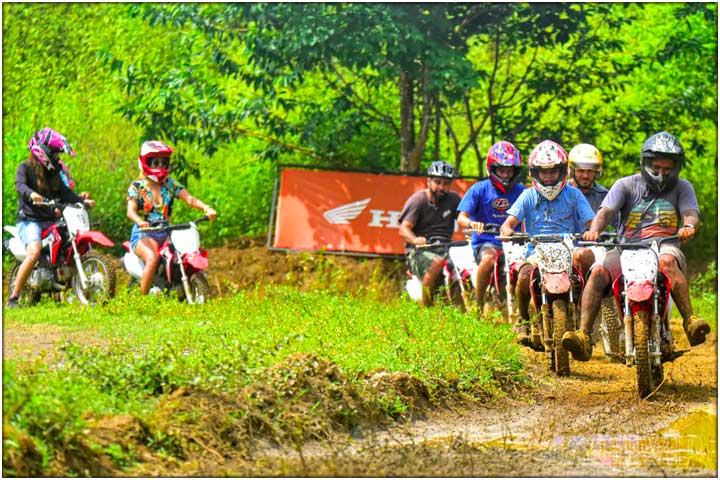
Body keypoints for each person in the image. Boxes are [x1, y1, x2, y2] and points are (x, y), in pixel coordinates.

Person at [562, 131, 710, 361]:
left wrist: (689, 225)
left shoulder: (682, 187)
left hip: (664, 245)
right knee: (599, 271)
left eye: (667, 168)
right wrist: (595, 230)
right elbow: (606, 211)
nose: (661, 173)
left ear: (676, 167)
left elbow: (690, 212)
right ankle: (584, 334)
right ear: (646, 163)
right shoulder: (626, 185)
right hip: (626, 248)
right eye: (657, 167)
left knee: (667, 262)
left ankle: (690, 320)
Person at [499, 140, 595, 347]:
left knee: (587, 257)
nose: (549, 176)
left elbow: (591, 222)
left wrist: (592, 231)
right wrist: (508, 231)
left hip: (568, 247)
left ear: (562, 171)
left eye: (553, 172)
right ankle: (523, 319)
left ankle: (586, 308)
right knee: (524, 274)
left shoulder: (574, 194)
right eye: (543, 172)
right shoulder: (528, 195)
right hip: (537, 249)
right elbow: (508, 224)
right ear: (535, 173)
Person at [7, 127, 96, 308]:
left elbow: (66, 193)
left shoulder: (53, 173)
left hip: (50, 219)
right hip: (29, 221)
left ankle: (68, 283)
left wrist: (82, 201)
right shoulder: (24, 168)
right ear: (43, 152)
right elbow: (20, 186)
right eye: (55, 153)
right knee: (34, 252)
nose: (58, 158)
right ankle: (13, 298)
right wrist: (31, 195)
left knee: (68, 240)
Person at [126, 140, 217, 295]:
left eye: (164, 162)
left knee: (185, 254)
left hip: (166, 231)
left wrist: (206, 208)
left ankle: (177, 287)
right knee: (152, 258)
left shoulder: (170, 184)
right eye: (155, 162)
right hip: (145, 233)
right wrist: (141, 222)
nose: (160, 166)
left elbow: (190, 199)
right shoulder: (137, 187)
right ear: (145, 162)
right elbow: (131, 212)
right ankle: (142, 299)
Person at [457, 140, 525, 313]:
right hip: (487, 242)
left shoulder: (522, 191)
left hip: (516, 243)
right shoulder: (479, 189)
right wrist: (473, 224)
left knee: (528, 269)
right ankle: (478, 304)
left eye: (509, 170)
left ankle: (527, 313)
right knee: (488, 260)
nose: (506, 175)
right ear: (492, 168)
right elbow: (461, 217)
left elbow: (530, 218)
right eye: (502, 170)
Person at [398, 160, 462, 307]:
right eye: (437, 182)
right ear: (429, 181)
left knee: (466, 264)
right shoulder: (418, 200)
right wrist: (415, 240)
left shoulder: (453, 199)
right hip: (419, 252)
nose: (441, 187)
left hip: (445, 248)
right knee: (437, 263)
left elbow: (463, 218)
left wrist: (474, 225)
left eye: (446, 183)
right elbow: (403, 229)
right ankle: (426, 309)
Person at [568, 143, 618, 228]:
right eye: (581, 171)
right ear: (572, 171)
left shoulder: (605, 196)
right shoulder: (561, 193)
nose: (585, 176)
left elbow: (619, 225)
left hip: (596, 241)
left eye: (590, 171)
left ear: (597, 172)